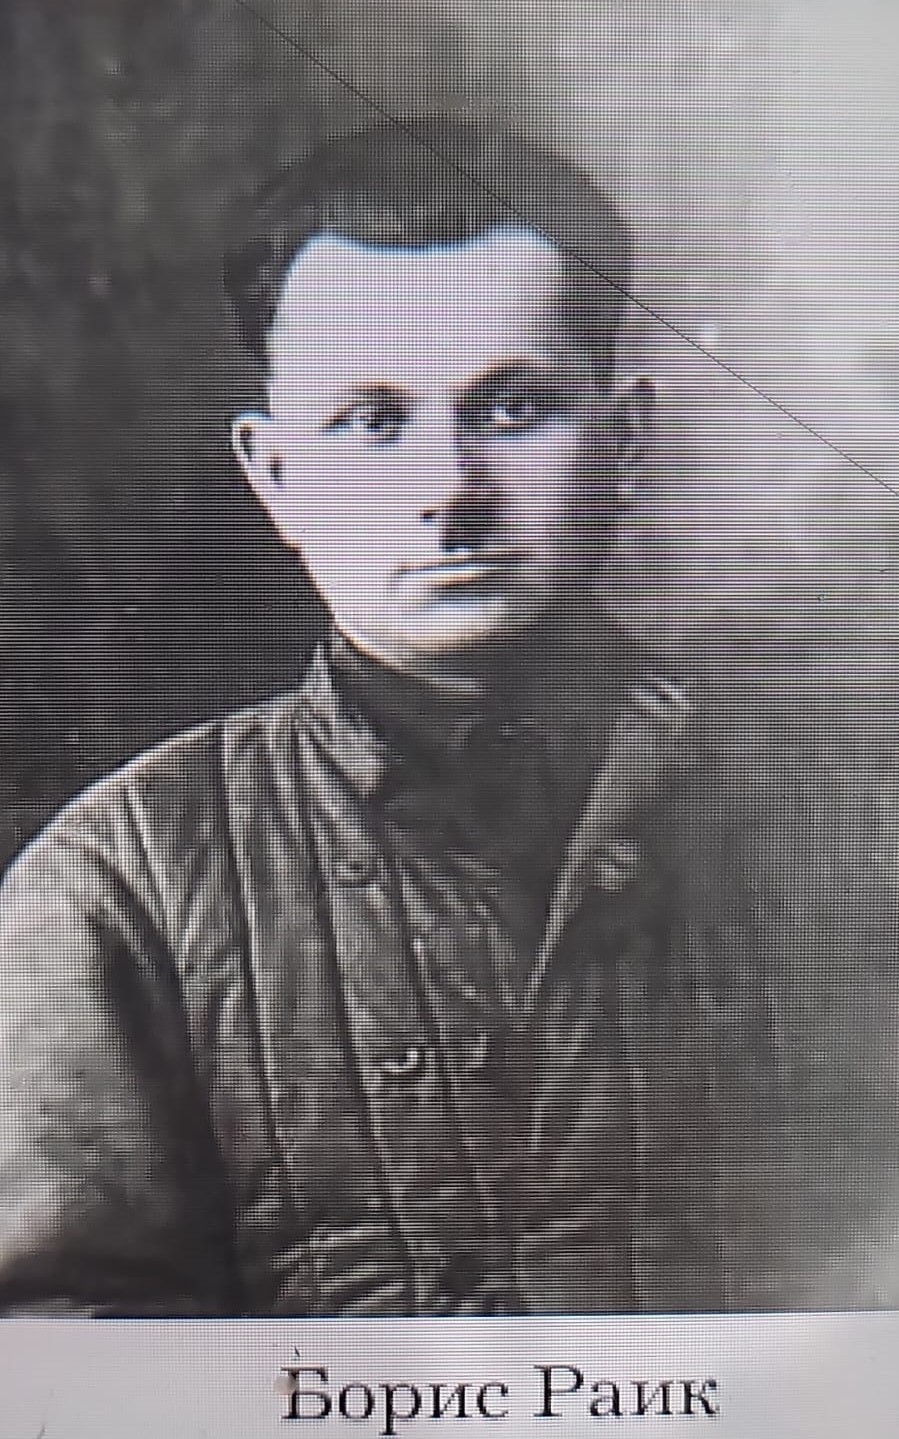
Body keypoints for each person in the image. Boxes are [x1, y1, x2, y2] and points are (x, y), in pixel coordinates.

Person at [0, 117, 893, 1318]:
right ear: (275, 476)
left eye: (513, 407)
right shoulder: (122, 885)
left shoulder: (856, 828)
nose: (448, 491)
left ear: (625, 441)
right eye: (372, 419)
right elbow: (58, 1361)